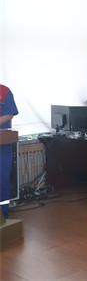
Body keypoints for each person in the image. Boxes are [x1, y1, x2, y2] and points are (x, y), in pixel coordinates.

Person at [0, 84, 19, 220]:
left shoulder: (4, 91)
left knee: (1, 179)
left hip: (2, 143)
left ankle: (2, 214)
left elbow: (9, 114)